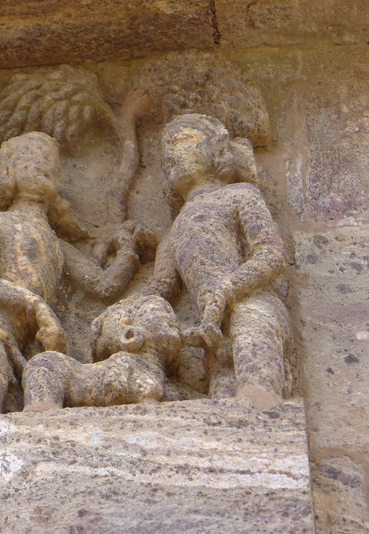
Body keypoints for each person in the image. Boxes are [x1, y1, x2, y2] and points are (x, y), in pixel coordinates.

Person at [0, 132, 151, 415]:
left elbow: (102, 285)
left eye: (52, 164)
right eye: (32, 158)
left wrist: (129, 251)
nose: (44, 166)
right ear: (8, 170)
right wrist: (35, 305)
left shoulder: (56, 245)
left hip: (36, 347)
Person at [144, 113, 290, 410]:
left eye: (181, 141)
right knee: (223, 401)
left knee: (250, 337)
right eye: (166, 152)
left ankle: (266, 400)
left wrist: (228, 289)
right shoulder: (174, 231)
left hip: (252, 304)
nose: (171, 155)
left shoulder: (240, 195)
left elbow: (272, 252)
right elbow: (162, 287)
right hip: (211, 330)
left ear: (216, 150)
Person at [22, 295, 182, 411]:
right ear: (131, 333)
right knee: (45, 365)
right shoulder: (124, 361)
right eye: (157, 311)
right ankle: (42, 406)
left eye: (170, 315)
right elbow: (116, 384)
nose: (170, 318)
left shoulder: (159, 375)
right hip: (55, 370)